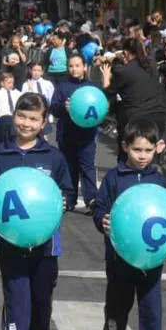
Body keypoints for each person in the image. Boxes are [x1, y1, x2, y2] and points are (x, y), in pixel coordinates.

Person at [0, 93, 72, 330]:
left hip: (46, 244)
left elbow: (67, 191)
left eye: (33, 118)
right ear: (13, 115)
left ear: (44, 123)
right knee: (16, 299)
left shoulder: (53, 157)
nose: (26, 123)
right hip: (10, 242)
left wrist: (65, 201)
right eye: (21, 116)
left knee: (41, 299)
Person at [92, 118, 166, 330]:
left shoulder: (158, 179)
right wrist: (101, 220)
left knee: (151, 310)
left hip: (150, 259)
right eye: (137, 150)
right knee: (117, 307)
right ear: (125, 147)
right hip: (119, 258)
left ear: (157, 148)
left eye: (148, 150)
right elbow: (100, 207)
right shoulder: (115, 177)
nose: (143, 156)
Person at [99, 38, 166, 163]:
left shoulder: (123, 72)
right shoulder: (151, 65)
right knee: (151, 153)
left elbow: (108, 92)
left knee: (131, 153)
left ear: (126, 53)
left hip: (137, 117)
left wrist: (106, 78)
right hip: (158, 115)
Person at [50, 55, 99, 213]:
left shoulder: (92, 87)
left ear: (85, 67)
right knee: (69, 167)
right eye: (71, 66)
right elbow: (53, 108)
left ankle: (91, 199)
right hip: (67, 133)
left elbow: (101, 109)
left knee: (87, 166)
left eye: (78, 65)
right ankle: (69, 199)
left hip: (87, 135)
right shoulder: (62, 87)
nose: (74, 69)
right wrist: (64, 107)